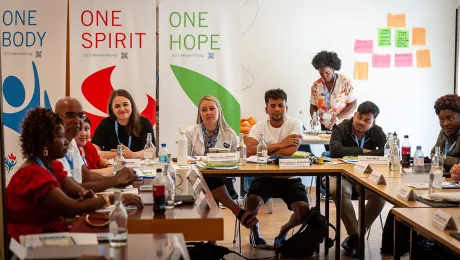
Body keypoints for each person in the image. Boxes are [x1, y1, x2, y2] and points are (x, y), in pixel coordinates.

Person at [6, 108, 143, 241]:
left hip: (49, 234)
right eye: (60, 136)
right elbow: (71, 208)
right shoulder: (33, 173)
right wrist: (116, 198)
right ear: (45, 143)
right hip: (31, 243)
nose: (66, 141)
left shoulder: (52, 165)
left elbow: (78, 190)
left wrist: (86, 194)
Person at [245, 89, 308, 249]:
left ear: (286, 107)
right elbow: (249, 150)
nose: (277, 109)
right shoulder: (259, 126)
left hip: (290, 176)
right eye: (273, 105)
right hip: (264, 176)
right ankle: (256, 235)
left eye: (281, 105)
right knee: (250, 204)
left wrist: (264, 149)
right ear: (266, 109)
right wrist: (281, 143)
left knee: (303, 211)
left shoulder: (294, 124)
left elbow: (290, 151)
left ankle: (283, 231)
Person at [186, 95, 258, 229]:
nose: (208, 113)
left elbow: (235, 161)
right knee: (206, 179)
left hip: (223, 180)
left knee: (210, 179)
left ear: (219, 110)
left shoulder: (230, 134)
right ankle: (237, 210)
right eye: (204, 110)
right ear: (200, 113)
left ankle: (209, 242)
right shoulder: (190, 132)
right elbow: (185, 159)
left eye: (212, 108)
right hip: (195, 181)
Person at [329, 101, 387, 257]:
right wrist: (362, 150)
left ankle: (355, 239)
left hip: (366, 175)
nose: (361, 122)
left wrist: (354, 154)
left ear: (373, 122)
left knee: (381, 195)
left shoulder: (377, 132)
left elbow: (386, 151)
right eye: (359, 117)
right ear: (354, 114)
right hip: (342, 175)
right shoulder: (341, 128)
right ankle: (356, 237)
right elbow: (335, 151)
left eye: (367, 120)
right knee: (337, 190)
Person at [54, 97, 137, 192]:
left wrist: (118, 181)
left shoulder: (72, 141)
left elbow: (86, 175)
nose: (77, 120)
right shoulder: (53, 146)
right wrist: (115, 180)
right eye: (70, 115)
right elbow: (72, 189)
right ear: (56, 118)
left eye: (81, 116)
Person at [91, 89, 155, 159]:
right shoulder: (105, 124)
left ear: (131, 105)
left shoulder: (144, 122)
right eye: (117, 106)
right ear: (112, 109)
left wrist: (133, 155)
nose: (122, 109)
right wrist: (115, 154)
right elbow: (92, 150)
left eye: (125, 104)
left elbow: (152, 151)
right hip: (112, 167)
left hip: (139, 167)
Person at [310, 51, 357, 130]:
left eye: (327, 73)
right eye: (321, 73)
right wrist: (315, 117)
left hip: (343, 124)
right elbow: (313, 106)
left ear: (334, 68)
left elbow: (353, 105)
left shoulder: (345, 82)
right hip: (325, 125)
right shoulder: (316, 85)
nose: (324, 76)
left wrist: (337, 118)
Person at [431, 94, 460, 176]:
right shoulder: (444, 132)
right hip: (448, 178)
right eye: (441, 119)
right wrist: (450, 160)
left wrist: (442, 157)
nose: (445, 123)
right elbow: (433, 153)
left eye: (450, 118)